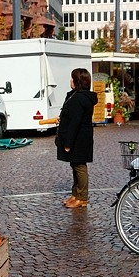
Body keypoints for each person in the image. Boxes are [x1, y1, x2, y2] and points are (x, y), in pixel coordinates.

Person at [55, 68, 97, 209]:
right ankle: (76, 194)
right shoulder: (76, 95)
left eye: (72, 78)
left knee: (80, 166)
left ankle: (82, 197)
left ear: (77, 81)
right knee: (75, 165)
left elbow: (75, 122)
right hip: (79, 136)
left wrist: (68, 142)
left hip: (79, 138)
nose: (70, 81)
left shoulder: (80, 98)